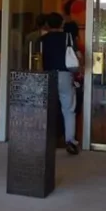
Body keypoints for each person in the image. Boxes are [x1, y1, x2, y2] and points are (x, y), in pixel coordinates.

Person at [39, 12, 81, 155]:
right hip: (64, 75)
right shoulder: (68, 37)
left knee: (47, 108)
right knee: (68, 109)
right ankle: (70, 140)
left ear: (47, 24)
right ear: (62, 24)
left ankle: (45, 137)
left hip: (47, 75)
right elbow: (78, 57)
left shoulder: (42, 39)